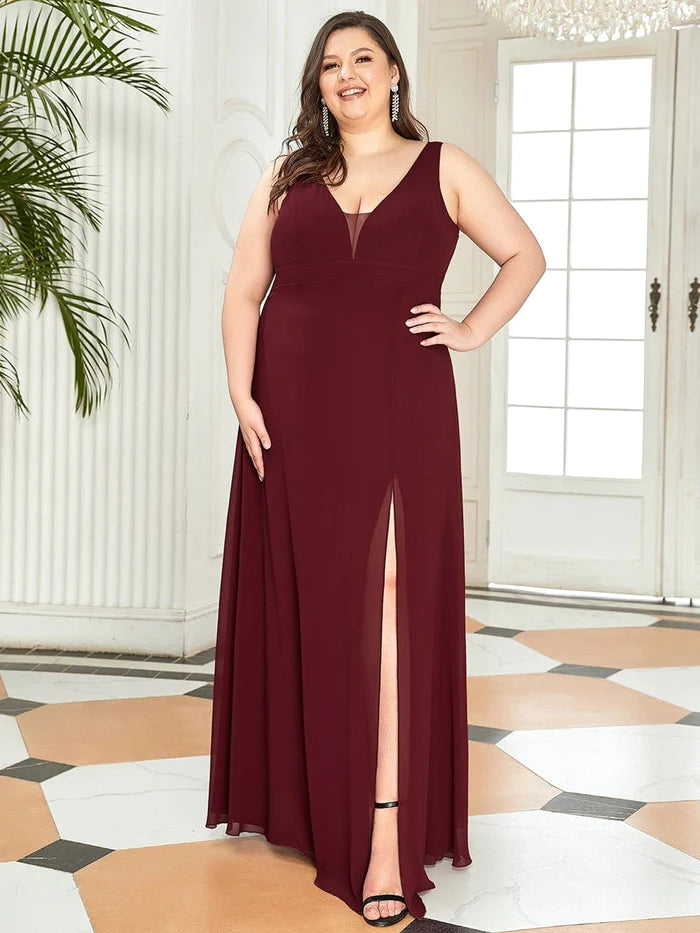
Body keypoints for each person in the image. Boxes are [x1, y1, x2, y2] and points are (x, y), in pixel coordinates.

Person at [206, 9, 545, 927]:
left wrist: (469, 328)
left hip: (403, 409)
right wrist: (241, 393)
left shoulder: (445, 166)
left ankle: (386, 829)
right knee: (312, 598)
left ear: (395, 72)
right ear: (318, 85)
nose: (346, 74)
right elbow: (244, 289)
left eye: (363, 58)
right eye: (330, 64)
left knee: (393, 595)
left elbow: (525, 254)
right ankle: (312, 796)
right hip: (292, 413)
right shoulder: (287, 175)